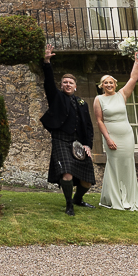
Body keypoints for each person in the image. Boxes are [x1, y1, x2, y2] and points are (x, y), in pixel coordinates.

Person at [39, 44, 96, 216]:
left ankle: (78, 199)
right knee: (67, 174)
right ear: (62, 85)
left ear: (75, 86)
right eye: (65, 82)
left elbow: (88, 126)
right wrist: (47, 62)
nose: (67, 84)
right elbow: (49, 82)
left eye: (71, 82)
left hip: (78, 142)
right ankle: (69, 204)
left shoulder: (82, 103)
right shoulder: (56, 97)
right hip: (61, 139)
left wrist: (88, 145)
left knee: (87, 181)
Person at [93, 51, 138, 212]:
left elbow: (133, 78)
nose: (109, 85)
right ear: (101, 85)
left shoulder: (122, 94)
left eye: (111, 82)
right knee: (114, 164)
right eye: (105, 83)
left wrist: (137, 60)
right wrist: (108, 139)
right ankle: (114, 197)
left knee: (127, 164)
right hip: (112, 136)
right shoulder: (99, 99)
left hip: (126, 135)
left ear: (115, 84)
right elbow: (99, 121)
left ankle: (130, 197)